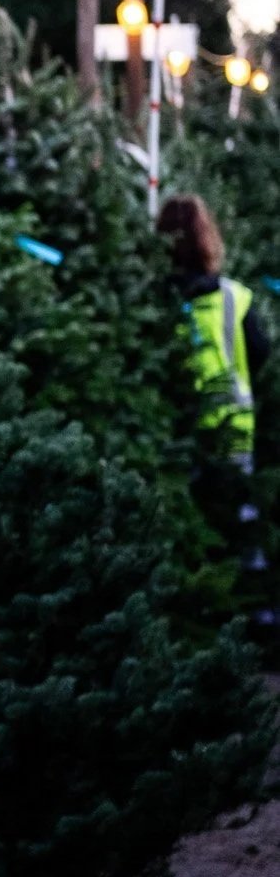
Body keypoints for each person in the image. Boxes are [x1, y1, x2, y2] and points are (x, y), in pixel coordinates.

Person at [159, 193, 272, 614]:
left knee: (192, 524)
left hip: (177, 430)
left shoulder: (156, 301)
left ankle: (200, 618)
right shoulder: (234, 297)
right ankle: (260, 618)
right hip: (233, 423)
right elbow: (260, 351)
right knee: (243, 522)